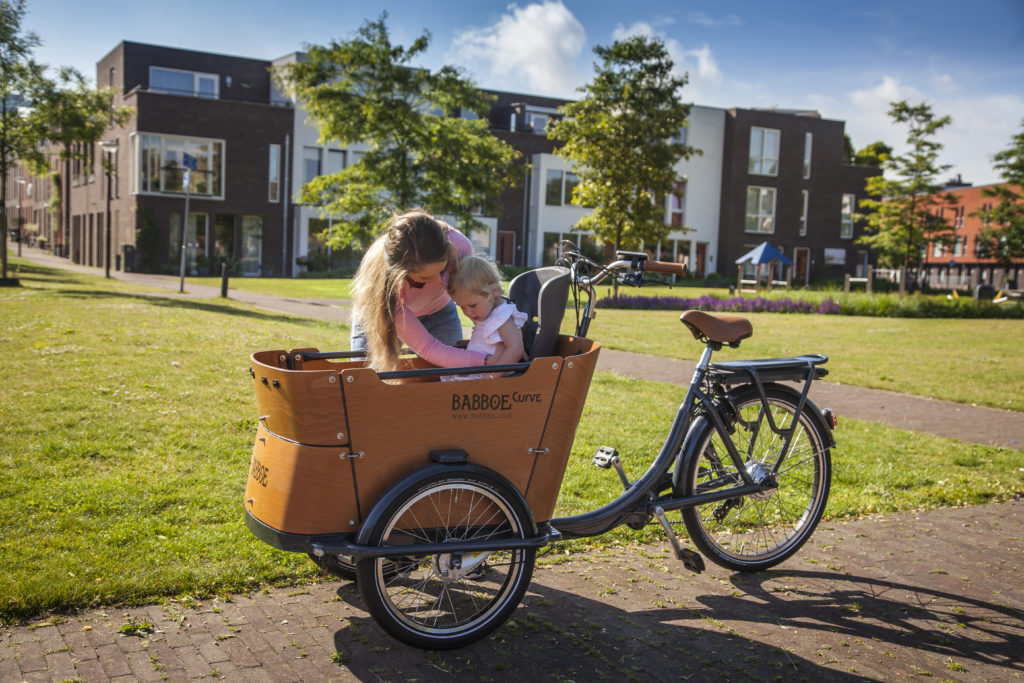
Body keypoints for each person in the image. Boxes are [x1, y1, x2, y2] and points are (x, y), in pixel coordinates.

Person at [350, 209, 496, 373]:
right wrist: (485, 361)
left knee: (447, 379)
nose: (439, 282)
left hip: (439, 313)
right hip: (382, 315)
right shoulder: (383, 284)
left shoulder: (461, 247)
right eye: (423, 280)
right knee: (365, 380)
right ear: (401, 274)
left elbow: (478, 296)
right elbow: (427, 347)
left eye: (442, 271)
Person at [443, 255, 527, 381]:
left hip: (491, 374)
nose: (468, 312)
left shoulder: (501, 317)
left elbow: (516, 348)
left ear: (494, 291)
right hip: (479, 369)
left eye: (472, 305)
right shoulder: (485, 313)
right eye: (462, 307)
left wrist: (492, 376)